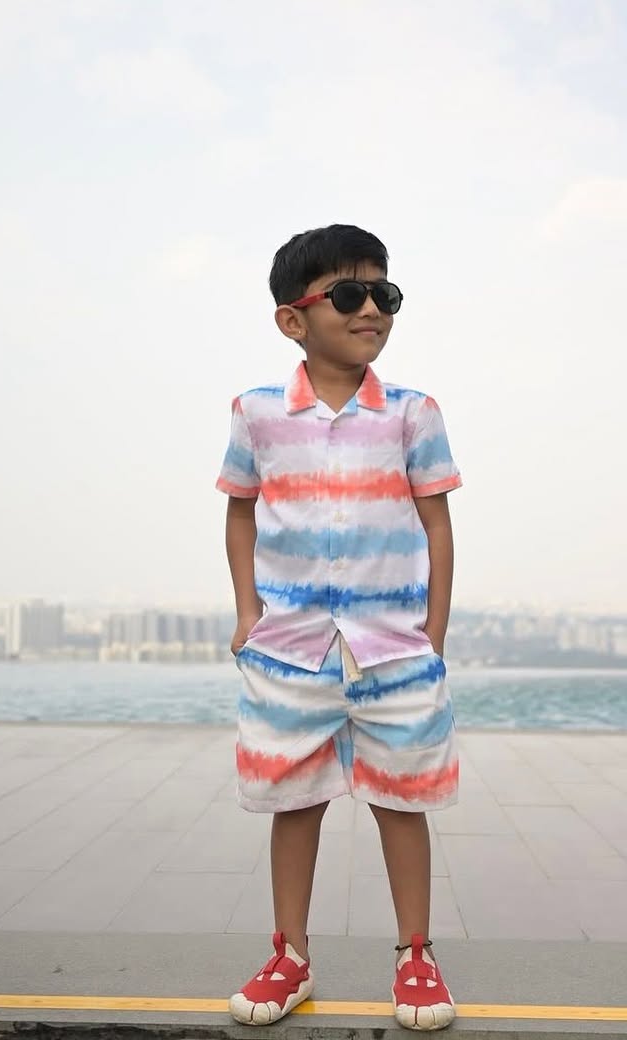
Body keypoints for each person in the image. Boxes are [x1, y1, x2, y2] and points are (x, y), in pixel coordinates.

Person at [216, 224, 462, 1031]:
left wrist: (432, 635)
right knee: (295, 802)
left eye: (384, 294)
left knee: (402, 801)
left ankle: (416, 954)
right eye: (349, 294)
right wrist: (248, 612)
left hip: (393, 646)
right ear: (294, 319)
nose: (371, 310)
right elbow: (240, 512)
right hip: (291, 650)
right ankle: (289, 955)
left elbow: (437, 525)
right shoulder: (256, 414)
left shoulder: (412, 413)